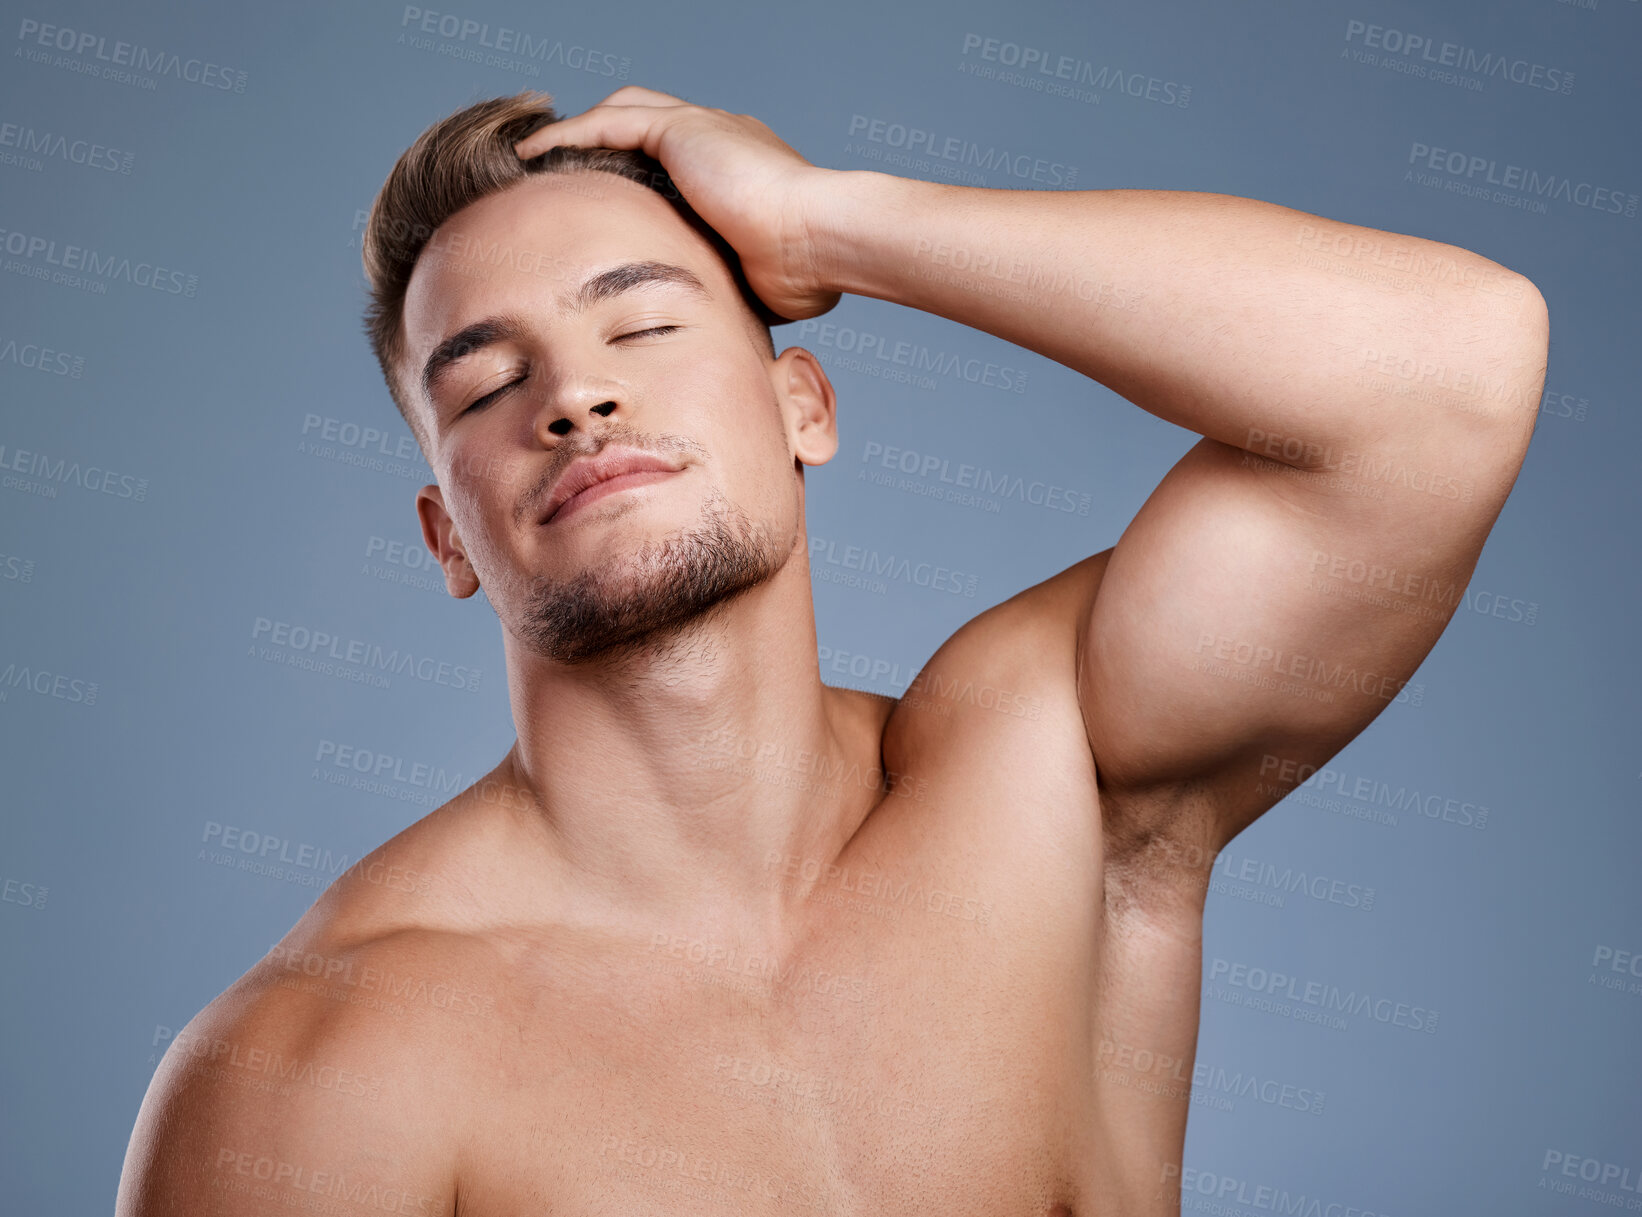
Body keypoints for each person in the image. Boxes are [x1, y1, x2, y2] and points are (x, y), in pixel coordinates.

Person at [117, 86, 1547, 1216]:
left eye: (644, 321)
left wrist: (820, 222)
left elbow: (1454, 369)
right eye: (490, 382)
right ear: (446, 536)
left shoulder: (1050, 766)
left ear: (803, 405)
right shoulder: (319, 1070)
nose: (578, 394)